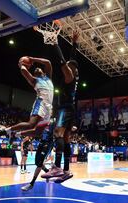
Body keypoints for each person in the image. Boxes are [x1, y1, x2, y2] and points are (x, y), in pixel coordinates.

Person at [41, 30, 79, 183]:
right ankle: (67, 170)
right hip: (71, 108)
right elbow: (72, 59)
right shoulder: (74, 75)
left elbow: (63, 61)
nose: (67, 68)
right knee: (66, 138)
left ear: (72, 69)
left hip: (65, 108)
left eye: (69, 67)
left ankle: (56, 167)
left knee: (58, 133)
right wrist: (74, 44)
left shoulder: (69, 75)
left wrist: (55, 43)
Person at [0, 56, 53, 139]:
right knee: (31, 124)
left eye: (39, 68)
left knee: (38, 133)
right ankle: (4, 131)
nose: (37, 69)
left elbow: (48, 62)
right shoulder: (34, 80)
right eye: (35, 71)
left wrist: (32, 59)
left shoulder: (48, 78)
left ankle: (16, 134)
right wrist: (22, 64)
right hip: (41, 103)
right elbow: (24, 71)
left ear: (44, 73)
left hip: (49, 107)